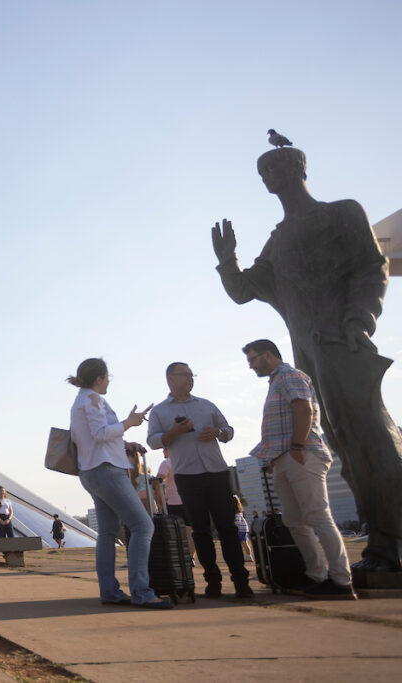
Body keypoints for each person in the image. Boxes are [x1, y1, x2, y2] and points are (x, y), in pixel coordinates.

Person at [213, 146, 402, 573]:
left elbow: (373, 267)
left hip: (345, 344)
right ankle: (383, 545)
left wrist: (360, 318)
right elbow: (245, 290)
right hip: (309, 359)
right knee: (346, 447)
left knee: (373, 437)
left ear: (300, 167)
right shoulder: (278, 242)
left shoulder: (342, 214)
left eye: (277, 166)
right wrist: (227, 261)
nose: (270, 176)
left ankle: (394, 545)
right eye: (264, 172)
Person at [243, 339, 356, 599]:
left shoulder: (289, 375)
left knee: (317, 516)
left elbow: (302, 408)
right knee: (295, 521)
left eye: (252, 359)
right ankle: (316, 575)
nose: (250, 366)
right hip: (285, 458)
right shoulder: (276, 381)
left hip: (302, 455)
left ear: (268, 355)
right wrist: (275, 457)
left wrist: (297, 446)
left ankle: (341, 581)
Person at [67, 358, 170, 609]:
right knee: (143, 526)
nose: (109, 381)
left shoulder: (81, 400)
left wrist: (125, 444)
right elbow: (100, 434)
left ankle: (111, 591)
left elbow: (91, 437)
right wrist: (128, 423)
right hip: (107, 471)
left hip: (91, 471)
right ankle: (141, 592)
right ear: (100, 378)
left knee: (108, 532)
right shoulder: (92, 399)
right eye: (107, 376)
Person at [146, 362, 253, 599]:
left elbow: (228, 430)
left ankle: (241, 581)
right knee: (201, 531)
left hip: (216, 472)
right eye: (184, 375)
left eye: (191, 375)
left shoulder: (206, 405)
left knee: (227, 528)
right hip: (187, 476)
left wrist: (218, 433)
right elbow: (153, 441)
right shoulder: (160, 411)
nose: (190, 379)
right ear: (170, 379)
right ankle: (212, 580)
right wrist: (175, 431)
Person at [156, 449, 196, 563]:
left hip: (173, 502)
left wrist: (159, 497)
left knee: (174, 531)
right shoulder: (186, 461)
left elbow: (158, 480)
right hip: (189, 500)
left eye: (164, 449)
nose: (163, 452)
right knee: (189, 531)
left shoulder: (167, 463)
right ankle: (190, 557)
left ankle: (178, 556)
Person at [233, 495, 254, 562]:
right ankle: (249, 557)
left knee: (236, 544)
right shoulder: (240, 508)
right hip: (244, 528)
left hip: (238, 529)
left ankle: (238, 558)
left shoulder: (232, 510)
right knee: (245, 543)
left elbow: (236, 521)